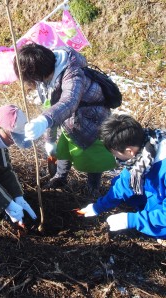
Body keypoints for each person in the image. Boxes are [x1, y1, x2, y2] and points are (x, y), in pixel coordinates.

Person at [79, 114, 166, 243]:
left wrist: (132, 220)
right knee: (120, 184)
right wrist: (98, 207)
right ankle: (150, 209)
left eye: (114, 152)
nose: (114, 157)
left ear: (129, 151)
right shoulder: (144, 151)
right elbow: (123, 184)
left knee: (162, 228)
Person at [14, 43, 116, 196]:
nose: (32, 84)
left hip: (92, 119)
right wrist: (49, 139)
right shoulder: (45, 78)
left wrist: (44, 121)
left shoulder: (73, 74)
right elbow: (50, 106)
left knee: (92, 156)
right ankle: (60, 177)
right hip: (68, 119)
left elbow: (69, 101)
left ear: (38, 74)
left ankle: (93, 187)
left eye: (31, 79)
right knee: (64, 148)